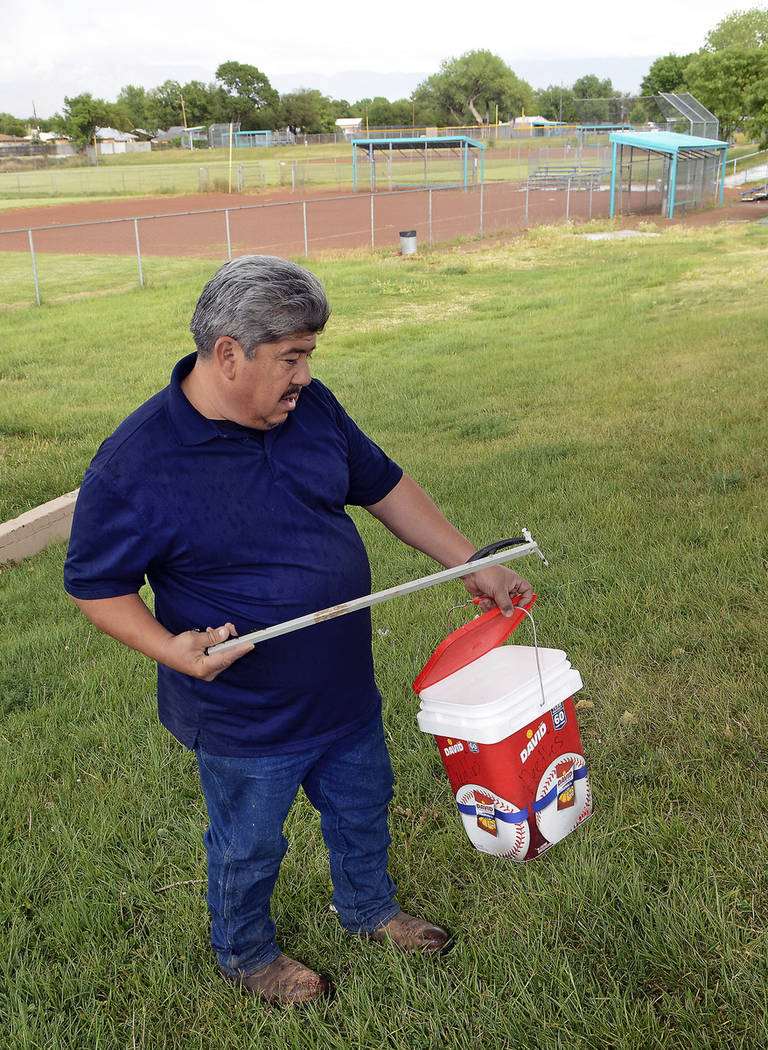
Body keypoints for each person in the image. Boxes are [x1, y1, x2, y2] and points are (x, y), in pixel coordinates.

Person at [64, 255, 533, 1006]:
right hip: (247, 716)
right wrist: (170, 649)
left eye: (308, 356)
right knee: (248, 847)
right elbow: (94, 585)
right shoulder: (136, 463)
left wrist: (468, 561)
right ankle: (247, 954)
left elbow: (380, 483)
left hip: (343, 689)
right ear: (228, 355)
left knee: (361, 807)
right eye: (292, 358)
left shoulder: (307, 410)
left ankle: (370, 910)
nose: (305, 376)